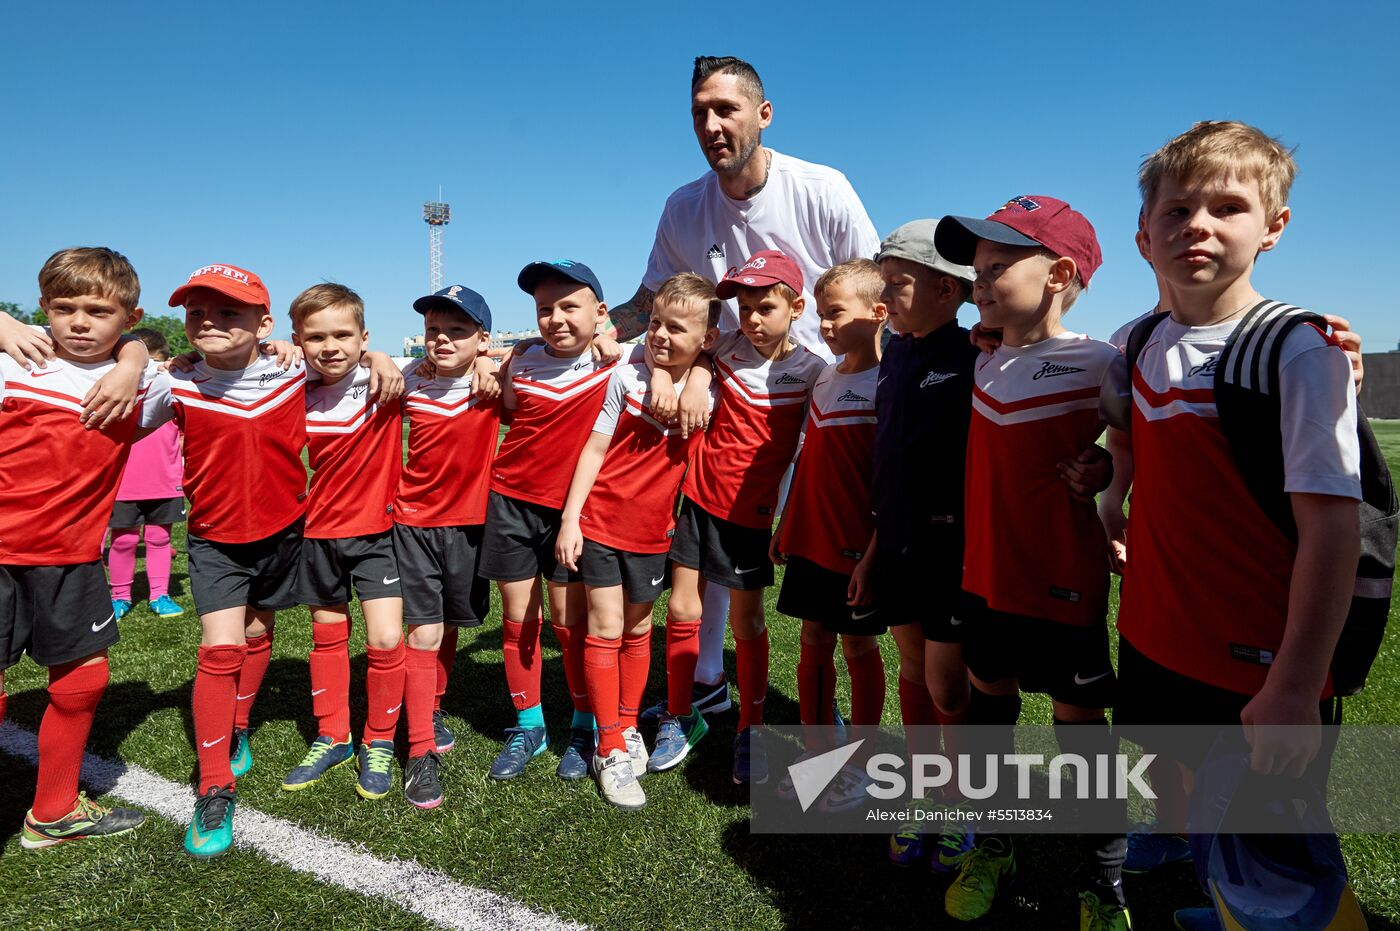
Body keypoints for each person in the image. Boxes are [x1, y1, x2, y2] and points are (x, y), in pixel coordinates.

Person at [1111, 121, 1361, 930]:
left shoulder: (1297, 348)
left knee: (1279, 879)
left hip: (1261, 667)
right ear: (1145, 231)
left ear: (1274, 226)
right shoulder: (1141, 341)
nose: (1200, 226)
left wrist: (1293, 684)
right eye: (1179, 209)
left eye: (1228, 206)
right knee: (1190, 798)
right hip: (1155, 637)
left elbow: (1331, 533)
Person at [615, 56, 881, 726]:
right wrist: (571, 332)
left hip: (820, 396)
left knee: (826, 556)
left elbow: (878, 286)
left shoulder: (821, 188)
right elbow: (651, 299)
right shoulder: (684, 207)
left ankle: (837, 722)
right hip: (730, 389)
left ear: (763, 114)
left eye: (725, 109)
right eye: (699, 111)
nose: (711, 124)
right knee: (717, 534)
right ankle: (709, 681)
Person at [147, 263, 400, 857]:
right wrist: (139, 357)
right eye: (196, 313)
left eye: (228, 312)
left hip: (287, 533)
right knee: (219, 649)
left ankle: (242, 730)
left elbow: (344, 348)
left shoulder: (292, 375)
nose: (209, 322)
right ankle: (215, 784)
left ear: (262, 325)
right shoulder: (174, 382)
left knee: (259, 632)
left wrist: (381, 356)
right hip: (214, 541)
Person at [934, 197, 1130, 929]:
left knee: (1082, 731)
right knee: (992, 709)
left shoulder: (1101, 361)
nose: (981, 281)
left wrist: (1107, 479)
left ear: (1061, 274)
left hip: (1064, 578)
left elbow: (1134, 441)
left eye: (999, 266)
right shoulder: (980, 356)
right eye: (977, 268)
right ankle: (996, 842)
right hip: (986, 576)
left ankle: (1102, 880)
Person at [0, 246, 157, 848]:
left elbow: (227, 365)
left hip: (69, 557)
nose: (79, 322)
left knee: (85, 678)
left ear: (128, 316)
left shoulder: (146, 383)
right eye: (64, 308)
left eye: (98, 310)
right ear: (43, 307)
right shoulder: (15, 357)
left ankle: (54, 810)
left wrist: (134, 357)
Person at [554, 272, 719, 809]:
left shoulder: (710, 389)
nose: (661, 336)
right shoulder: (625, 379)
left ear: (706, 340)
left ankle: (626, 725)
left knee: (638, 629)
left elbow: (720, 366)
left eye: (676, 328)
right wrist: (571, 519)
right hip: (600, 524)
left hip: (653, 534)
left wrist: (692, 375)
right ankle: (607, 746)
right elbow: (595, 452)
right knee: (604, 628)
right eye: (654, 324)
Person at [662, 250, 826, 785]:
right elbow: (682, 354)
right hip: (699, 503)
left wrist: (790, 518)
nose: (752, 319)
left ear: (796, 307)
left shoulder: (811, 372)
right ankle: (679, 713)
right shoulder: (725, 349)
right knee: (683, 610)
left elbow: (811, 452)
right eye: (745, 307)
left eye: (766, 307)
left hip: (752, 520)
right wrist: (695, 377)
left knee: (746, 621)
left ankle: (750, 728)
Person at [479, 261, 616, 781]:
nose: (555, 318)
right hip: (511, 500)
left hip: (573, 513)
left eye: (568, 306)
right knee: (519, 619)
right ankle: (529, 725)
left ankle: (582, 724)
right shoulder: (522, 360)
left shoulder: (617, 363)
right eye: (544, 309)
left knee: (568, 621)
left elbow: (691, 351)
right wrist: (491, 364)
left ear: (599, 313)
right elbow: (505, 405)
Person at [279, 284, 408, 802]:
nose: (329, 346)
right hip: (317, 534)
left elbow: (468, 363)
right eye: (315, 337)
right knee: (326, 637)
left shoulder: (389, 378)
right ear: (298, 340)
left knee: (382, 640)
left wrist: (380, 358)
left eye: (342, 334)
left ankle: (378, 740)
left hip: (378, 535)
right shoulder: (289, 387)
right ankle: (333, 733)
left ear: (363, 337)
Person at [769, 259, 887, 811]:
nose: (825, 325)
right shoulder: (824, 377)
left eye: (835, 312)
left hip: (857, 548)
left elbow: (891, 481)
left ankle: (862, 762)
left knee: (858, 645)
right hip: (810, 539)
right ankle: (819, 752)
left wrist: (874, 552)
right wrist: (787, 521)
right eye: (820, 315)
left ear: (878, 313)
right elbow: (805, 456)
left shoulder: (889, 385)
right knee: (812, 639)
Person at [392, 284, 501, 808]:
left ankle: (431, 705)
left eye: (457, 331)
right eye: (434, 330)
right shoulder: (408, 379)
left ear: (482, 339)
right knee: (424, 629)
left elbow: (541, 356)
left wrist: (500, 358)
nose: (442, 340)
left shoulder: (496, 383)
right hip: (412, 522)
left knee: (452, 622)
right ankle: (418, 753)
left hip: (472, 526)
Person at [108, 327, 185, 620]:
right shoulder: (116, 390)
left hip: (165, 484)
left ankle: (159, 595)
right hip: (124, 484)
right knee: (123, 540)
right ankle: (120, 596)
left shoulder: (172, 390)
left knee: (159, 539)